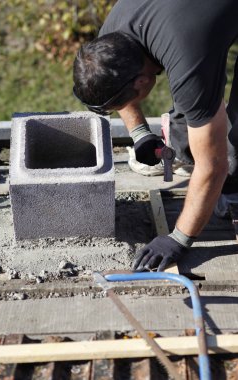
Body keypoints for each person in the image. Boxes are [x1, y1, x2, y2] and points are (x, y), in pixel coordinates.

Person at [73, 0, 238, 271]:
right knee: (194, 120)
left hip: (195, 25)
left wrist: (179, 238)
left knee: (225, 151)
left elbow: (213, 165)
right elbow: (122, 95)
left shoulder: (188, 56)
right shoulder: (109, 43)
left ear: (141, 82)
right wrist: (140, 133)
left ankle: (232, 189)